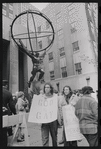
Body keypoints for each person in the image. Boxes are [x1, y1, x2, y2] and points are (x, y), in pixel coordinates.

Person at [41, 82, 61, 146]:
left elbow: (59, 107)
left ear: (50, 89)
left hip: (53, 120)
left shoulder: (55, 97)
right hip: (44, 121)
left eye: (48, 87)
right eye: (45, 87)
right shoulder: (41, 97)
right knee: (45, 138)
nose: (46, 89)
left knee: (54, 138)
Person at [2, 80, 14, 146]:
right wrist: (15, 113)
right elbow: (11, 105)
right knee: (4, 131)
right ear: (6, 86)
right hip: (5, 114)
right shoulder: (8, 93)